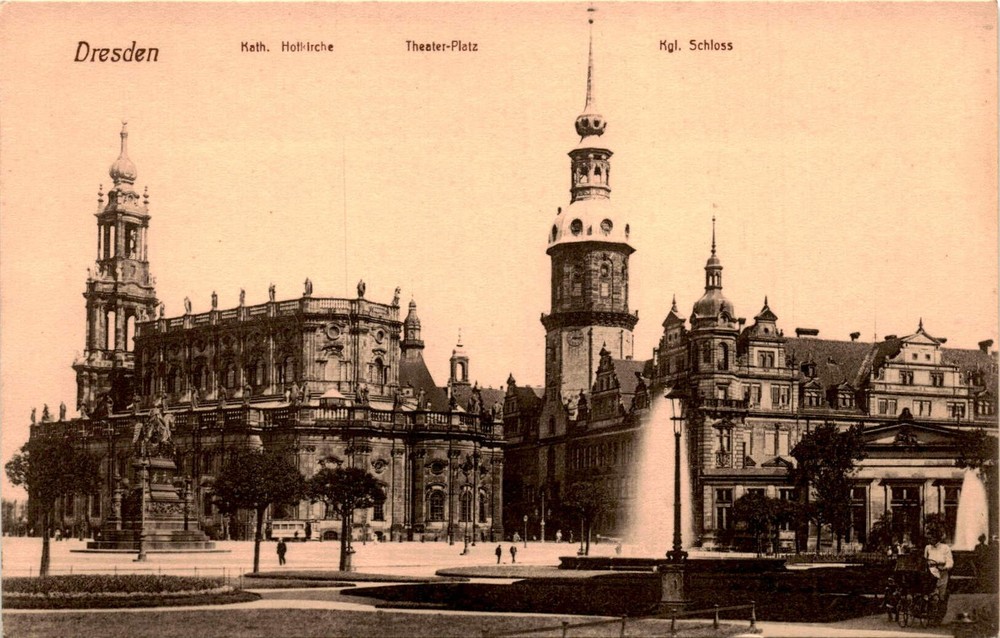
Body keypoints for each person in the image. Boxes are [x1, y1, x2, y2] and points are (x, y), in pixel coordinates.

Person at [924, 528, 953, 602]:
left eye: (930, 538)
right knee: (930, 595)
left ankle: (940, 610)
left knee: (941, 596)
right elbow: (925, 560)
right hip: (930, 574)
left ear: (936, 538)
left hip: (941, 573)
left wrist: (945, 567)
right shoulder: (927, 547)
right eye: (927, 539)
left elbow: (950, 561)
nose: (928, 540)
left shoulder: (945, 547)